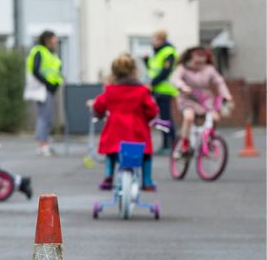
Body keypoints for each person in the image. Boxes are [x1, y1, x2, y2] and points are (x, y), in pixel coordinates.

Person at [91, 54, 159, 192]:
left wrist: (98, 114)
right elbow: (152, 110)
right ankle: (147, 181)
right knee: (145, 155)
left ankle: (108, 176)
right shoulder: (142, 90)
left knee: (111, 153)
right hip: (137, 131)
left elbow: (98, 105)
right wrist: (150, 117)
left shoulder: (110, 90)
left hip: (115, 131)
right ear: (135, 71)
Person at [172, 47, 233, 157]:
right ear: (191, 56)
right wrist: (182, 86)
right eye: (198, 55)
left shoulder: (209, 69)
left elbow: (219, 82)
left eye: (203, 55)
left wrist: (226, 94)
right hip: (188, 99)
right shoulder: (183, 68)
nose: (200, 58)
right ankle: (185, 145)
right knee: (189, 117)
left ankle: (209, 140)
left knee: (215, 118)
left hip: (204, 101)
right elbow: (175, 78)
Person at [25, 31, 63, 156]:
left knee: (47, 117)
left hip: (50, 89)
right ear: (48, 39)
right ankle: (42, 144)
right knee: (44, 117)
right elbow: (36, 70)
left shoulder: (51, 52)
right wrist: (47, 83)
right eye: (54, 38)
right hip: (43, 89)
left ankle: (44, 142)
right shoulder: (40, 51)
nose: (56, 40)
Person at [146, 30, 178, 154]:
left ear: (161, 39)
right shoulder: (157, 53)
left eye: (154, 39)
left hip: (165, 90)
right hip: (157, 90)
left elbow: (165, 72)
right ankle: (165, 144)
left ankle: (172, 144)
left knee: (166, 118)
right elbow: (153, 69)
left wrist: (152, 83)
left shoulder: (168, 52)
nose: (152, 42)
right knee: (162, 119)